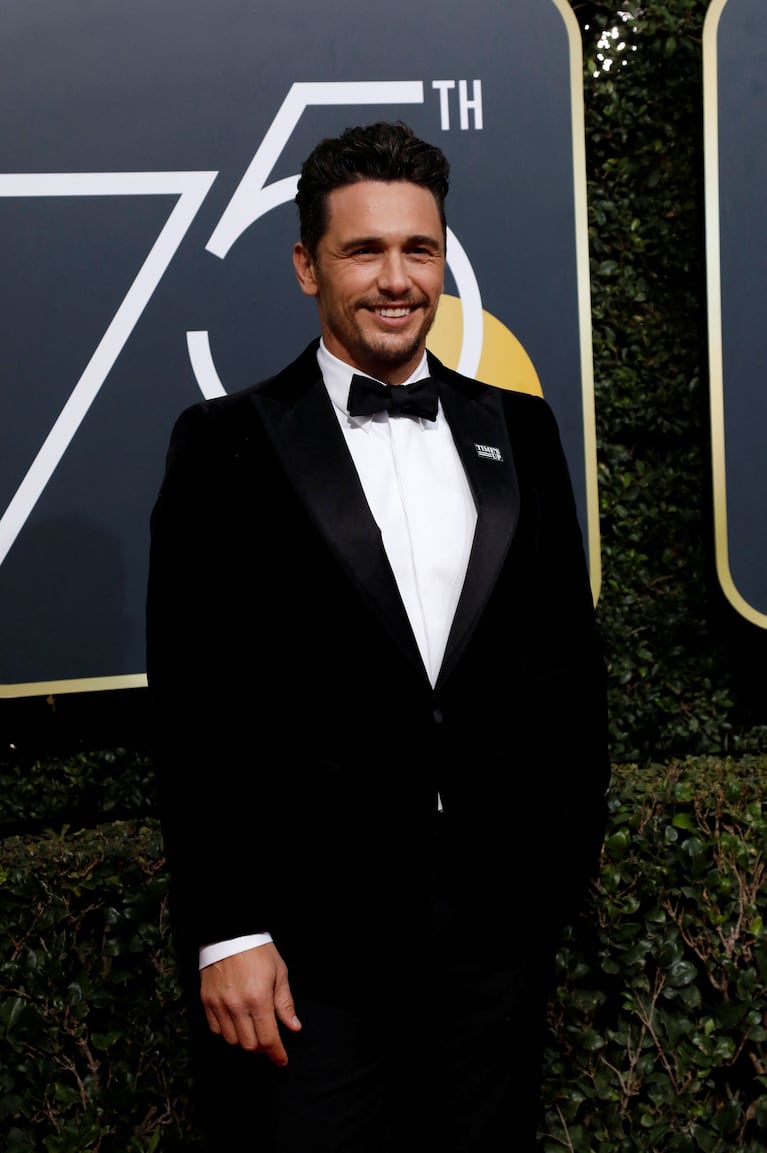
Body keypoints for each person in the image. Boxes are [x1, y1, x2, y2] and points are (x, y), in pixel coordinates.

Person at [146, 120, 610, 1152]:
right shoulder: (226, 444)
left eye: (418, 249)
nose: (395, 278)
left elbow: (564, 668)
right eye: (363, 251)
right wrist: (227, 928)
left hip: (492, 936)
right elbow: (193, 706)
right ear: (307, 264)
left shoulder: (517, 428)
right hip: (306, 954)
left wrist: (555, 872)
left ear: (442, 259)